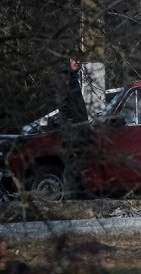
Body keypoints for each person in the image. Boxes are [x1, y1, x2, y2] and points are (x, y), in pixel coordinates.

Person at [58, 57, 90, 198]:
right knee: (72, 165)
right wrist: (74, 121)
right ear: (68, 60)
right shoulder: (66, 77)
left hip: (74, 130)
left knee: (75, 165)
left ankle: (75, 196)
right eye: (74, 59)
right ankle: (71, 198)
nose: (78, 62)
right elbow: (63, 103)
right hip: (71, 131)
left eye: (80, 60)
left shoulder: (71, 76)